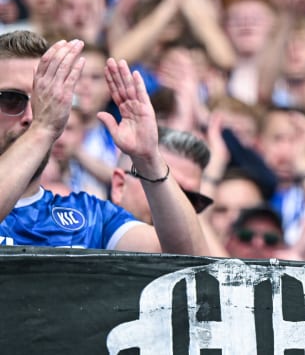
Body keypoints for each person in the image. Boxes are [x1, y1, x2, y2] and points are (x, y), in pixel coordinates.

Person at [0, 31, 207, 254]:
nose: (33, 115)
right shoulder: (41, 125)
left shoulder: (90, 216)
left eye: (47, 100)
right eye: (12, 99)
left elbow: (189, 260)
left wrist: (149, 160)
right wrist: (43, 128)